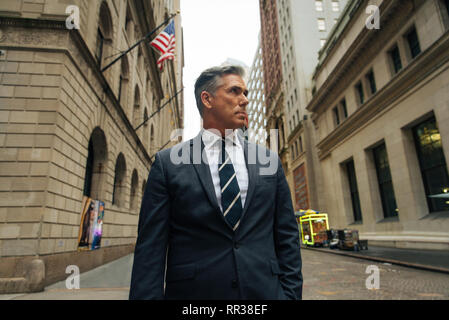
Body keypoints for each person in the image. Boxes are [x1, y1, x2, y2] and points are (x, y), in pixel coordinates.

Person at [129, 65, 303, 300]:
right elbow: (150, 250)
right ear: (207, 99)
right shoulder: (168, 164)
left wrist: (290, 296)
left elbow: (287, 237)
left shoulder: (268, 161)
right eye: (234, 91)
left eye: (245, 93)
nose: (244, 100)